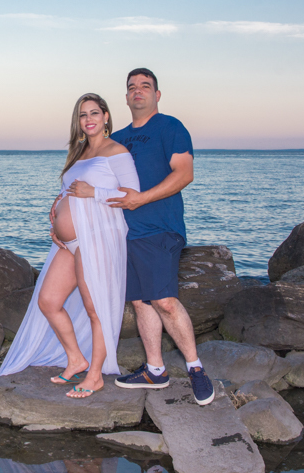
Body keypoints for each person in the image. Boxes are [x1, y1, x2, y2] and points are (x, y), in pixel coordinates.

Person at [71, 68, 214, 404]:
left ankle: (195, 367)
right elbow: (94, 179)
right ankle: (155, 370)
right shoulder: (116, 138)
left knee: (163, 299)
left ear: (157, 95)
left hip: (159, 227)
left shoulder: (171, 127)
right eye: (132, 87)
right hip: (121, 233)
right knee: (139, 300)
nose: (138, 91)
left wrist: (141, 198)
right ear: (124, 98)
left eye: (145, 86)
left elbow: (185, 174)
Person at [0, 93, 140, 398]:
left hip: (97, 237)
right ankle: (76, 358)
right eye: (83, 115)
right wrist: (56, 210)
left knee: (94, 307)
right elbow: (69, 190)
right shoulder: (79, 153)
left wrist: (93, 192)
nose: (88, 120)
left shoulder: (118, 152)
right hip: (69, 242)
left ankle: (96, 375)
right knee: (47, 300)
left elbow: (131, 196)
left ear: (106, 117)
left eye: (94, 113)